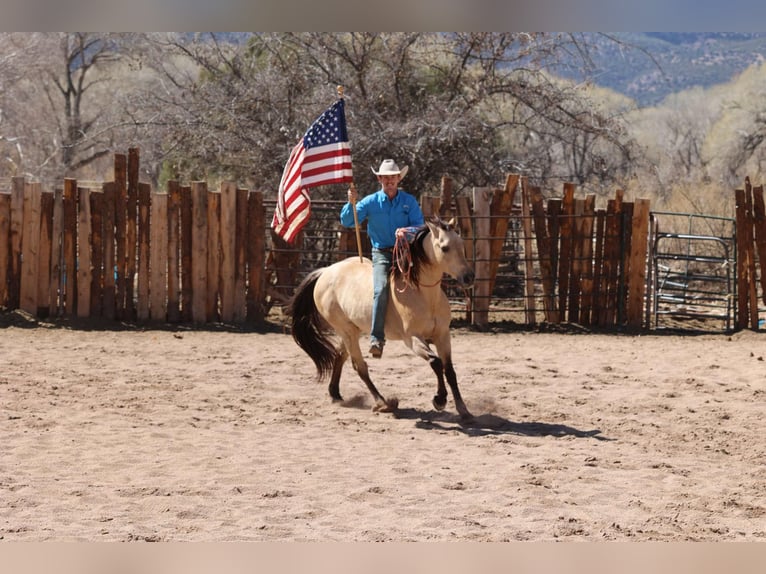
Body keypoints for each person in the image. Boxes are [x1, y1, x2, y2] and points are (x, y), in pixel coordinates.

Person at [340, 159, 424, 358]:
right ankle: (377, 338)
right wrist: (350, 202)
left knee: (425, 282)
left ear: (398, 178)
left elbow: (420, 227)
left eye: (393, 177)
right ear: (379, 179)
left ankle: (426, 326)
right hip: (382, 254)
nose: (389, 180)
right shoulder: (370, 202)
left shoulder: (408, 201)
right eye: (385, 177)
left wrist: (407, 232)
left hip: (405, 251)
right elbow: (347, 220)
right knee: (380, 289)